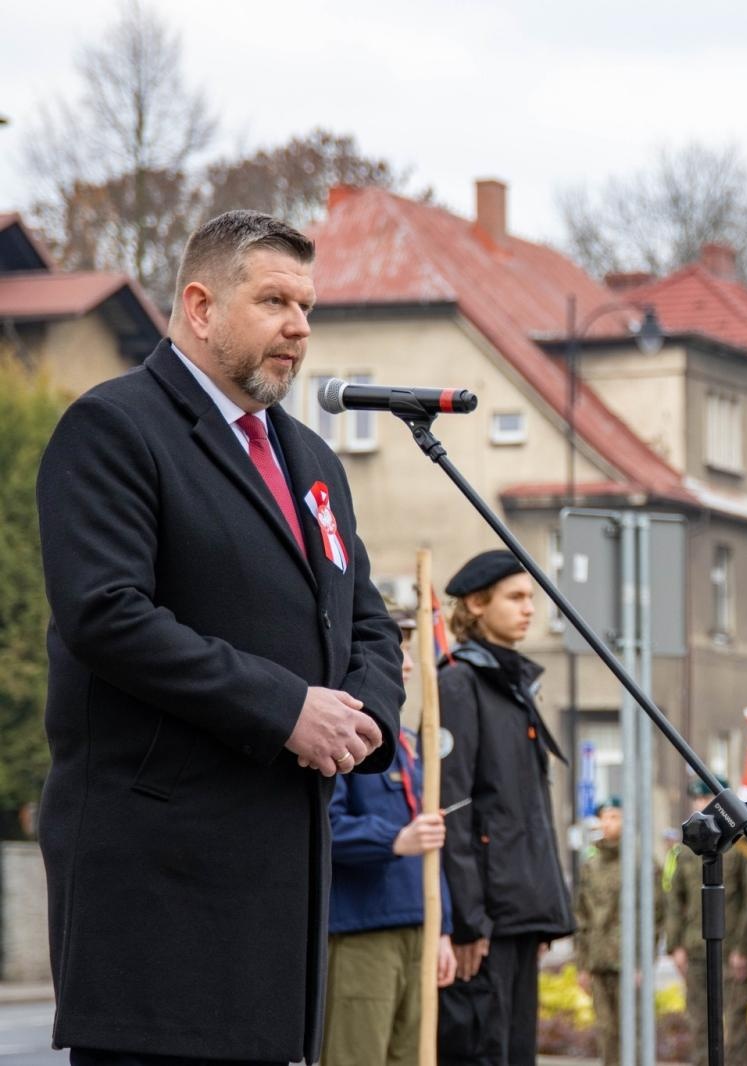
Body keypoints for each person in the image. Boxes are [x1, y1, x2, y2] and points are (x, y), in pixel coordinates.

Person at [35, 210, 403, 1064]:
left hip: (280, 897)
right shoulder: (116, 429)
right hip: (163, 900)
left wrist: (365, 721)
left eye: (308, 306)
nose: (300, 327)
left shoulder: (312, 459)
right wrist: (287, 709)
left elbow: (368, 620)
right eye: (275, 300)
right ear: (199, 307)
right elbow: (107, 614)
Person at [437, 550, 575, 1065]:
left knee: (517, 1055)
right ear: (476, 603)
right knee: (481, 1053)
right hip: (487, 922)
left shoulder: (514, 688)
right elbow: (454, 806)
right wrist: (469, 922)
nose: (529, 609)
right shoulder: (459, 683)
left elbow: (529, 815)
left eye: (531, 598)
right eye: (516, 597)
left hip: (519, 918)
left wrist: (541, 914)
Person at [324, 608, 458, 1065]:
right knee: (357, 1054)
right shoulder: (341, 735)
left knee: (412, 1056)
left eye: (406, 648)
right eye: (395, 648)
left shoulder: (404, 742)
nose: (403, 662)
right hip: (364, 931)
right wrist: (392, 840)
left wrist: (442, 929)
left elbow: (429, 839)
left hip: (417, 924)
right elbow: (327, 826)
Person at [662, 776, 747, 1066]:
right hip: (695, 950)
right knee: (699, 1024)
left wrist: (742, 948)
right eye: (695, 800)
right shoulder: (685, 850)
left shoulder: (739, 847)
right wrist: (675, 946)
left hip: (730, 951)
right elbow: (674, 901)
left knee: (734, 1027)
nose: (699, 805)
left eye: (705, 799)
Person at [574, 795, 659, 1066]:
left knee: (632, 1033)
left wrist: (643, 961)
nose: (608, 823)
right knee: (606, 1033)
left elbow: (653, 916)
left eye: (615, 817)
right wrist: (583, 965)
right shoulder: (591, 866)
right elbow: (583, 918)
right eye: (604, 817)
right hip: (600, 961)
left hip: (628, 962)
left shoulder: (640, 863)